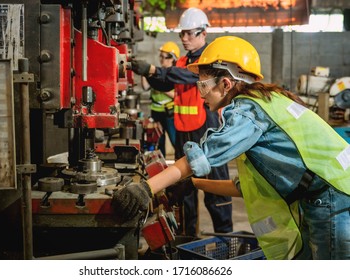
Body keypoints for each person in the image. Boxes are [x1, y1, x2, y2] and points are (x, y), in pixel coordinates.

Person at [113, 35, 350, 260]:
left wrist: (145, 189)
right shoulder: (263, 102)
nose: (201, 94)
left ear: (225, 83)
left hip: (332, 197)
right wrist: (193, 184)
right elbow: (246, 187)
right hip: (329, 193)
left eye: (203, 86)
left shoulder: (247, 112)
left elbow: (204, 155)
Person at [130, 7, 233, 236]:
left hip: (208, 129)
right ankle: (187, 239)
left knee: (216, 189)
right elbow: (168, 83)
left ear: (203, 33)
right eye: (182, 34)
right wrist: (147, 73)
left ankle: (226, 239)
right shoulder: (184, 59)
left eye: (190, 33)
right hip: (184, 131)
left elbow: (189, 76)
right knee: (184, 189)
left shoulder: (211, 59)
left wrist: (156, 69)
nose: (184, 39)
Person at [141, 41, 179, 157]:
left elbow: (177, 95)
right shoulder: (157, 72)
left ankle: (181, 168)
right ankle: (161, 170)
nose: (162, 60)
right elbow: (146, 87)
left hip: (170, 113)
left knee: (175, 141)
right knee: (158, 142)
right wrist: (144, 73)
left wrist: (160, 87)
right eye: (161, 57)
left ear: (173, 58)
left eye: (165, 57)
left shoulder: (177, 74)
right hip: (156, 112)